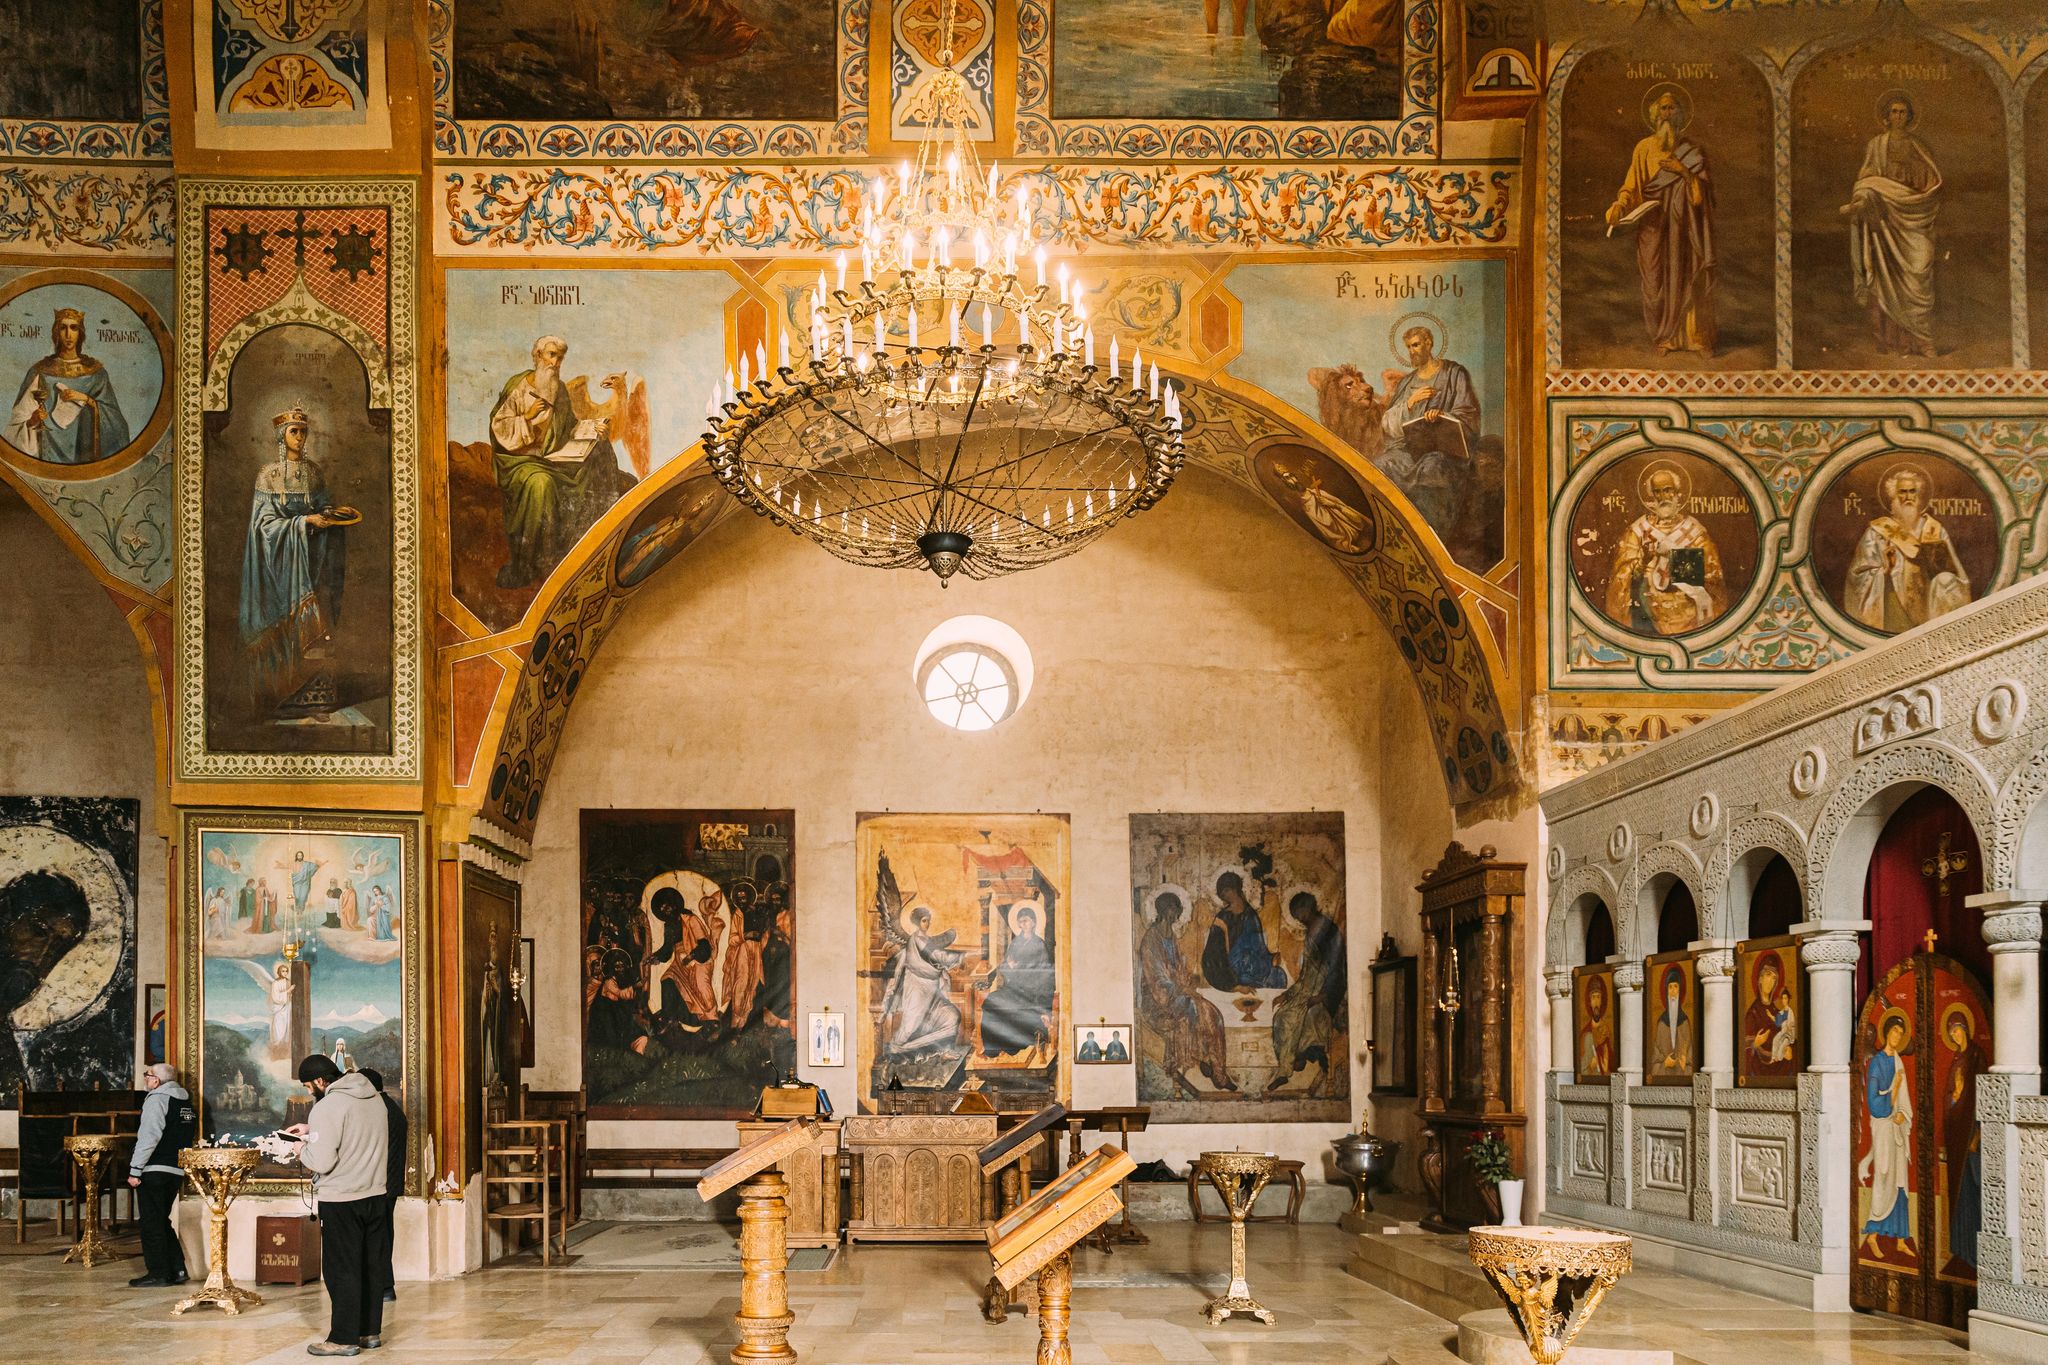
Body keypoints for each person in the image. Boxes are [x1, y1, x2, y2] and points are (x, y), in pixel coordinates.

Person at [488, 336, 633, 589]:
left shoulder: (560, 389)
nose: (555, 363)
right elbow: (500, 430)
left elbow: (569, 428)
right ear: (538, 356)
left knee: (599, 451)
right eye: (551, 355)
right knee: (541, 483)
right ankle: (536, 562)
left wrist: (592, 429)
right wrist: (529, 418)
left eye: (560, 358)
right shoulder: (519, 387)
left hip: (553, 456)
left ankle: (584, 546)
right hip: (520, 460)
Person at [239, 406, 348, 717]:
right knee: (282, 625)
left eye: (303, 431)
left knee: (315, 628)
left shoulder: (315, 473)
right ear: (281, 436)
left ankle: (312, 699)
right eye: (294, 431)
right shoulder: (267, 475)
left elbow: (323, 506)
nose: (300, 437)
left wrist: (327, 516)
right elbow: (262, 527)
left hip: (312, 561)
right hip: (276, 566)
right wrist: (302, 523)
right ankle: (276, 698)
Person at [286, 1055, 389, 1357]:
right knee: (370, 1267)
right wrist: (312, 1129)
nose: (309, 1093)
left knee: (341, 1270)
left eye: (308, 1086)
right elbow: (353, 1135)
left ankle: (343, 1338)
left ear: (320, 1081)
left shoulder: (328, 1106)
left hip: (341, 1199)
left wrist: (301, 1148)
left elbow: (323, 1161)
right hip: (374, 1195)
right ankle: (369, 1332)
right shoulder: (373, 1099)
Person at [1605, 83, 1716, 355]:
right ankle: (1664, 338)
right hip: (1654, 227)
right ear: (1655, 115)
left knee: (1689, 277)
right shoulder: (1643, 149)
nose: (1666, 113)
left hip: (1685, 230)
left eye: (1671, 108)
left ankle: (1695, 338)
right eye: (1662, 109)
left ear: (1679, 115)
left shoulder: (1692, 150)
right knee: (1656, 284)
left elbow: (1701, 198)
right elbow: (1631, 186)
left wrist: (1683, 172)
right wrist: (1619, 205)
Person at [1841, 91, 1941, 357]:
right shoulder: (1876, 145)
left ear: (1910, 116)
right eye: (1894, 112)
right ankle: (1889, 341)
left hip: (1912, 218)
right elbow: (1866, 177)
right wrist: (1864, 194)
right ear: (1886, 116)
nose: (1898, 116)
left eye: (1903, 112)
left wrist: (1913, 189)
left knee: (1918, 273)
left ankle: (1921, 340)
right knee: (1884, 279)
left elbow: (1932, 184)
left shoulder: (1919, 147)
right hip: (1884, 223)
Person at [1374, 325, 1482, 535]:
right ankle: (1394, 530)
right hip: (1409, 450)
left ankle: (1428, 533)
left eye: (1415, 345)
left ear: (1429, 343)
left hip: (1444, 451)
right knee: (1382, 464)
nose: (1411, 351)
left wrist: (1442, 416)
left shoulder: (1453, 373)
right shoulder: (1407, 383)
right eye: (1408, 347)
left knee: (1432, 467)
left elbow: (1468, 413)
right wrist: (1410, 403)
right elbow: (1387, 423)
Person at [1842, 463, 1971, 633]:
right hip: (1893, 609)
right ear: (1893, 495)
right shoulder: (1878, 532)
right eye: (1902, 492)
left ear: (1919, 495)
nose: (1908, 496)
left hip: (1929, 607)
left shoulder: (1934, 530)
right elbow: (1858, 576)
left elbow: (1954, 578)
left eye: (1912, 491)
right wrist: (1884, 571)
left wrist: (1941, 574)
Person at [1604, 462, 1727, 636]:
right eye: (1658, 491)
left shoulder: (1696, 532)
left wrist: (1676, 558)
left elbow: (1712, 578)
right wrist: (1644, 561)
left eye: (1668, 490)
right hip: (1647, 608)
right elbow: (1622, 579)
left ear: (1678, 494)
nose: (1663, 496)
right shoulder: (1637, 531)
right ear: (1651, 496)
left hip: (1687, 607)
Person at [1137, 891, 1237, 1098]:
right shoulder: (1151, 940)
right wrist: (1179, 988)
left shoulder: (1170, 937)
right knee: (1193, 1009)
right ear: (1166, 910)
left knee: (1213, 1013)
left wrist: (1187, 980)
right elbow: (1155, 978)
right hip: (1157, 1000)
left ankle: (1216, 1067)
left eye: (1178, 909)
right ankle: (1202, 1060)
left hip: (1177, 994)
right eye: (1175, 909)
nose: (1178, 914)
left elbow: (1178, 967)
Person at [6, 306, 131, 463]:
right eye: (63, 328)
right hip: (47, 457)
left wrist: (87, 400)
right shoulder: (41, 371)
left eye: (74, 328)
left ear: (80, 333)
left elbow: (117, 425)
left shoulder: (96, 373)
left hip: (85, 456)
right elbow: (15, 426)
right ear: (56, 332)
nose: (68, 334)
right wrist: (32, 421)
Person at [1265, 892, 1347, 1097]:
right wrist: (1288, 993)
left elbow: (1337, 967)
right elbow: (1306, 973)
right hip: (1307, 989)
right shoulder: (1311, 931)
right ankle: (1287, 1066)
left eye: (1300, 911)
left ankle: (1298, 1058)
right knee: (1281, 1017)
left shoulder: (1328, 930)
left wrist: (1322, 996)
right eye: (1295, 914)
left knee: (1306, 1018)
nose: (1299, 917)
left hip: (1327, 991)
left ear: (1308, 907)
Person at [126, 1062, 194, 1288]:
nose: (145, 1079)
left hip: (154, 1169)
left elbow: (148, 1138)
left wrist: (135, 1170)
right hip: (175, 1169)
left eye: (147, 1075)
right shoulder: (184, 1101)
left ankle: (158, 1273)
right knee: (161, 1220)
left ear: (156, 1080)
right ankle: (177, 1268)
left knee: (151, 1223)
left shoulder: (157, 1099)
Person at [1858, 1014, 1915, 1261]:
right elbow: (1874, 1104)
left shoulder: (1899, 1062)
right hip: (1882, 1129)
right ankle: (1872, 1235)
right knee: (1882, 1179)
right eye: (1893, 1032)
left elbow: (1904, 1102)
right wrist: (1892, 1099)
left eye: (1900, 1035)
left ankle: (1901, 1238)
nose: (1896, 1037)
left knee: (1900, 1182)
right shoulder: (1878, 1064)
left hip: (1896, 1132)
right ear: (1886, 1034)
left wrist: (1902, 1114)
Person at [879, 906, 971, 1058]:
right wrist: (962, 956)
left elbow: (941, 941)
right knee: (910, 1027)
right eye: (924, 921)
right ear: (917, 922)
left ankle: (944, 1050)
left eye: (928, 920)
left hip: (932, 990)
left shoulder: (927, 939)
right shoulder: (917, 940)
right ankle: (897, 1051)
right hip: (917, 987)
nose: (927, 924)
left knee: (951, 1016)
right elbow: (938, 955)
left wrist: (952, 934)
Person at [979, 905, 1057, 1056]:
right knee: (990, 1001)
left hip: (1032, 991)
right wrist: (1010, 967)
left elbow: (1043, 974)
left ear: (1034, 923)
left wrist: (1016, 967)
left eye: (1026, 921)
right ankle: (993, 1050)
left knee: (1014, 1008)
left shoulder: (1039, 945)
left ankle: (1014, 1049)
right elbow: (1005, 967)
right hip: (1013, 988)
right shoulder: (1015, 943)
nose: (1023, 925)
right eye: (1020, 922)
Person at [360, 1068, 407, 1304]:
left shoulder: (380, 1111)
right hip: (389, 1183)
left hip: (381, 1184)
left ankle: (384, 1286)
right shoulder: (390, 1107)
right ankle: (384, 1285)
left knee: (378, 1237)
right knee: (383, 1234)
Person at [1201, 872, 1289, 991]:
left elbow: (1259, 945)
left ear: (1236, 888)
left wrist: (1270, 958)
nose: (1224, 894)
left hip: (1255, 963)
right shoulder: (1222, 918)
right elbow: (1212, 955)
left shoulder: (1251, 914)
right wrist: (1232, 985)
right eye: (1222, 892)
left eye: (1226, 890)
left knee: (1279, 976)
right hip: (1234, 968)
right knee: (1247, 976)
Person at [1648, 966, 1692, 1078]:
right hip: (1664, 1077)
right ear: (1666, 990)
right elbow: (1654, 1061)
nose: (1673, 991)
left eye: (1676, 987)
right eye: (1670, 987)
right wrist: (1665, 1064)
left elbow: (1691, 1057)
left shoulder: (1685, 1022)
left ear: (1680, 990)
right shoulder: (1661, 1023)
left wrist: (1685, 1064)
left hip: (1682, 1078)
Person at [1578, 976, 1614, 1075]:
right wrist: (1591, 1065)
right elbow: (1581, 1068)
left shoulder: (1607, 1031)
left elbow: (1612, 1065)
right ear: (1589, 1002)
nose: (1596, 1002)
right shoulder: (1585, 1034)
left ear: (1602, 1000)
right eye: (1593, 997)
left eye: (1598, 997)